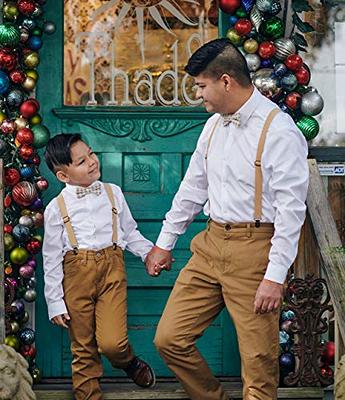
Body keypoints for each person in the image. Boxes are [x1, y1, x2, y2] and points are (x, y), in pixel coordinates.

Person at [146, 38, 309, 400]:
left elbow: (291, 212)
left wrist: (274, 277)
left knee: (258, 361)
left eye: (201, 86)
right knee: (169, 338)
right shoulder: (214, 125)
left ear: (225, 81)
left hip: (254, 251)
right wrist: (164, 243)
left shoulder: (280, 132)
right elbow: (192, 188)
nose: (198, 94)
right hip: (209, 245)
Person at [43, 134, 156, 400]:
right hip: (75, 274)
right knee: (83, 347)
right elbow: (50, 258)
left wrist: (149, 254)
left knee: (111, 343)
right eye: (82, 161)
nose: (92, 162)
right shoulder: (55, 208)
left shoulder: (112, 192)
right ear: (63, 176)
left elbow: (130, 233)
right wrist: (54, 301)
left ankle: (127, 361)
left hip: (111, 271)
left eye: (91, 154)